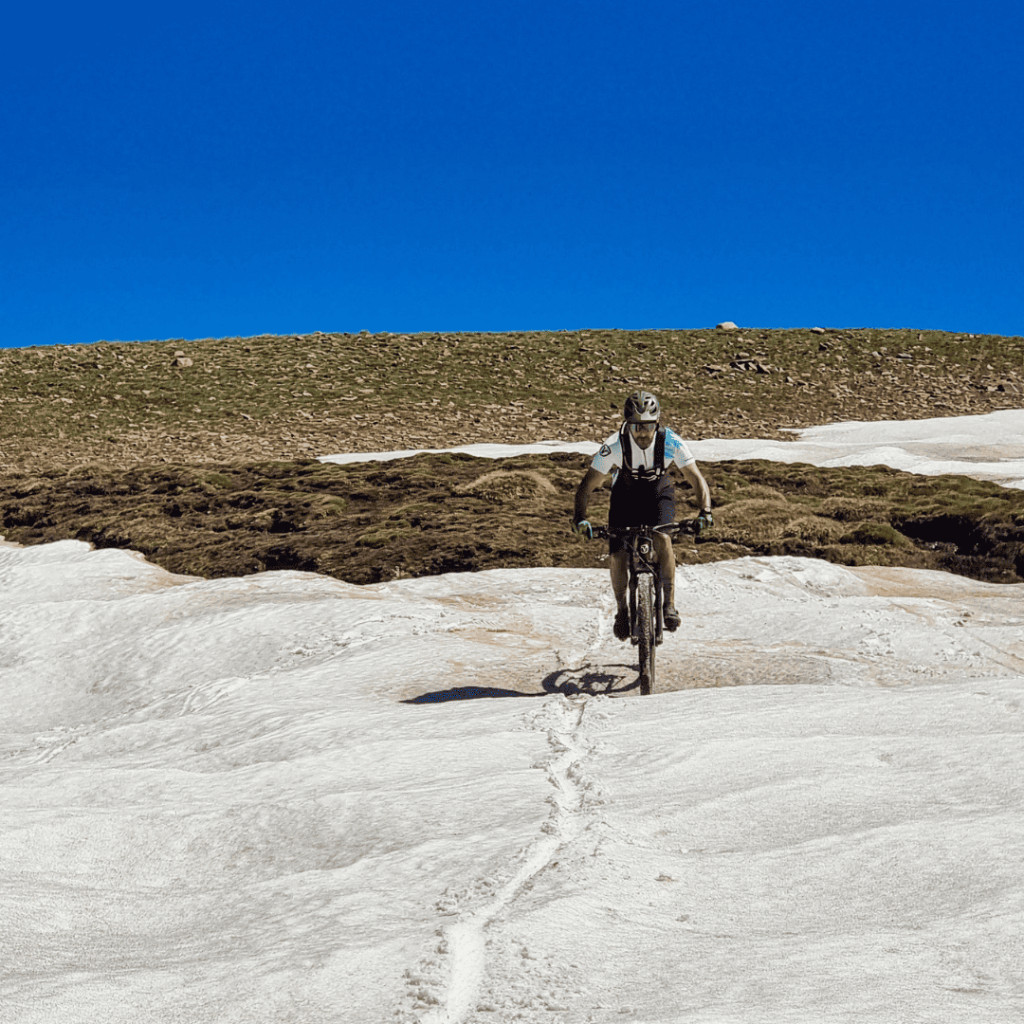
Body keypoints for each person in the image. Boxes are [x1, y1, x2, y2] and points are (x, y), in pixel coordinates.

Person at [572, 390, 713, 640]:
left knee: (663, 538)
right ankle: (622, 611)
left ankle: (668, 604)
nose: (642, 433)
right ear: (627, 424)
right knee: (617, 553)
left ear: (657, 423)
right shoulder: (614, 445)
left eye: (647, 426)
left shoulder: (671, 442)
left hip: (659, 494)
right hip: (624, 496)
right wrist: (580, 518)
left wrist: (706, 511)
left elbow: (696, 479)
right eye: (636, 426)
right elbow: (587, 485)